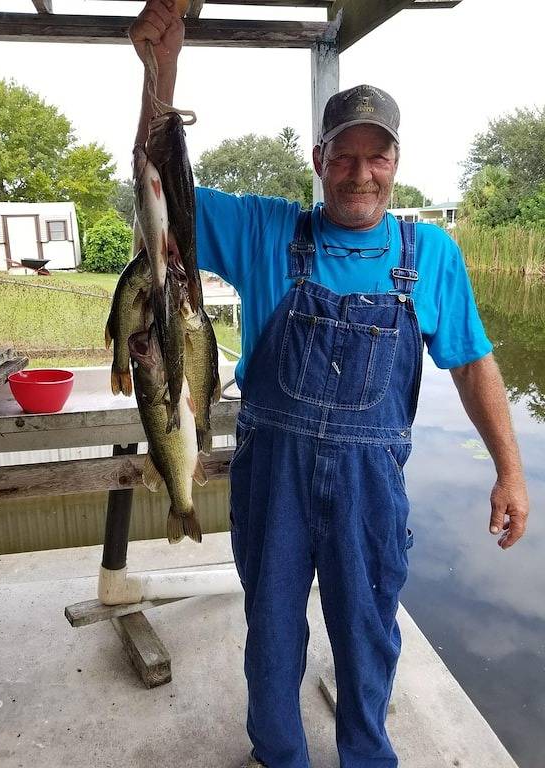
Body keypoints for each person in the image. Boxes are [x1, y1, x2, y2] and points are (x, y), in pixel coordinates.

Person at [129, 2, 530, 766]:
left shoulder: (430, 254)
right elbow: (157, 186)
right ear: (319, 159)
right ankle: (279, 755)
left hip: (369, 488)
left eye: (376, 157)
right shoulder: (268, 231)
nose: (360, 173)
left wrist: (510, 470)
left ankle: (367, 756)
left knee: (369, 630)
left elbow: (474, 361)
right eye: (345, 155)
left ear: (396, 163)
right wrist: (160, 70)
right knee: (273, 631)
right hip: (272, 475)